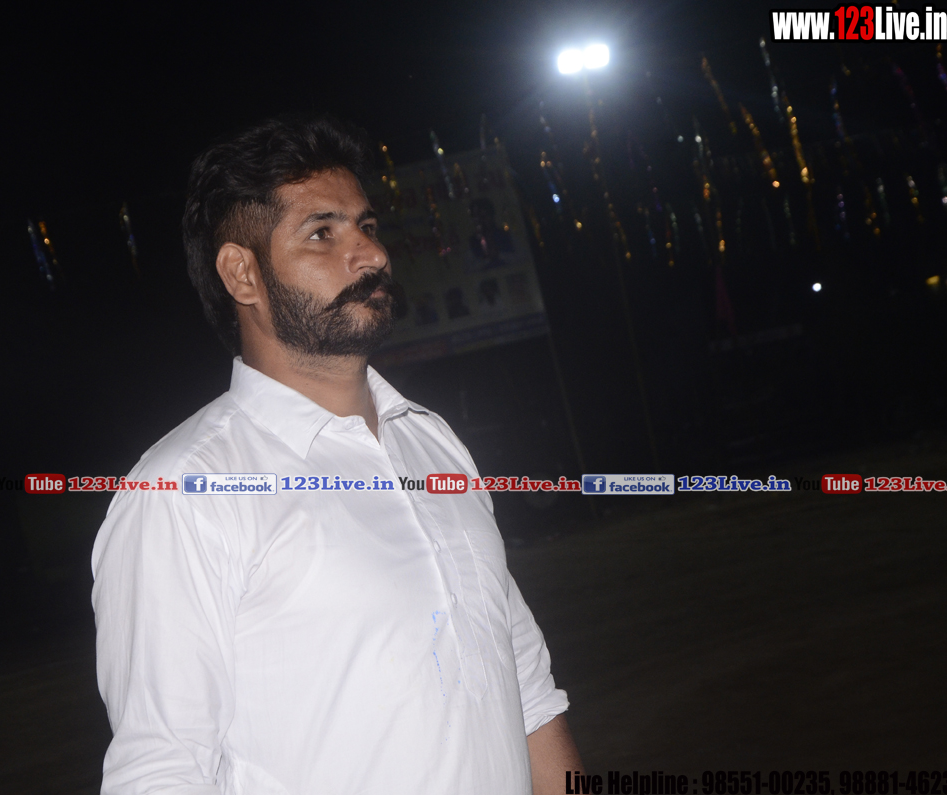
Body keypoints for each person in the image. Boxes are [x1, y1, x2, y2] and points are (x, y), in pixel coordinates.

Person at [91, 114, 582, 794]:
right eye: (322, 233)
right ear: (242, 273)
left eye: (367, 226)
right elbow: (162, 769)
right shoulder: (186, 490)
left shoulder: (431, 440)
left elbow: (525, 689)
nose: (372, 254)